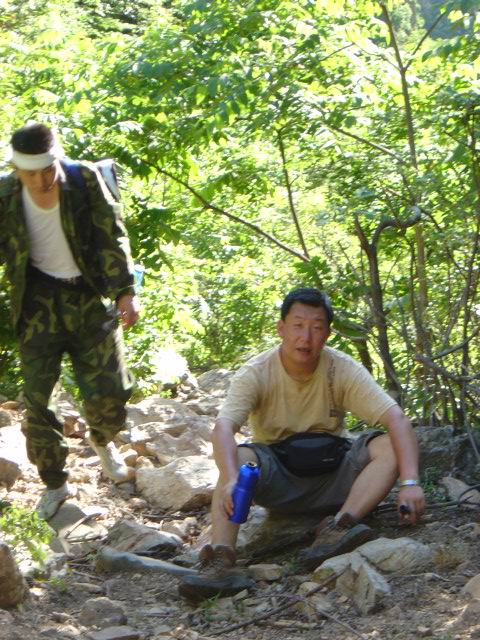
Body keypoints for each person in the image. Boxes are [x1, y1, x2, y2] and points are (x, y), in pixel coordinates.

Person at [180, 287, 425, 600]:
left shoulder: (341, 368)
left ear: (327, 334)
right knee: (241, 460)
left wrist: (410, 482)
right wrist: (230, 479)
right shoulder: (257, 372)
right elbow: (224, 428)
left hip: (335, 476)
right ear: (281, 328)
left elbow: (397, 419)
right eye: (298, 325)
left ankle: (339, 527)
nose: (306, 337)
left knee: (388, 446)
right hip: (278, 478)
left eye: (316, 327)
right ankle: (221, 558)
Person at [0, 123, 140, 520]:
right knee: (38, 401)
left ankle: (102, 439)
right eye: (31, 173)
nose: (42, 180)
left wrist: (126, 291)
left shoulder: (84, 180)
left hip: (88, 296)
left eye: (48, 169)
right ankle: (54, 483)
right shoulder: (6, 195)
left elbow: (112, 234)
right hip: (36, 302)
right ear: (17, 169)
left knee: (110, 391)